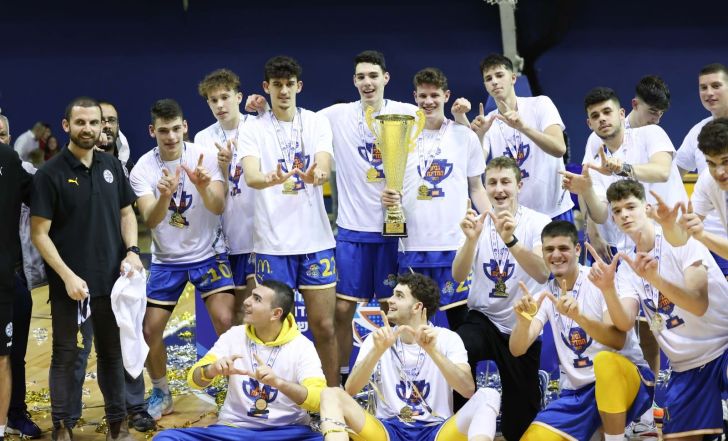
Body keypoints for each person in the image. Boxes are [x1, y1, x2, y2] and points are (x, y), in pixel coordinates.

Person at [30, 96, 142, 441]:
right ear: (67, 126)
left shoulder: (112, 166)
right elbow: (39, 233)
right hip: (70, 286)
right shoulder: (50, 174)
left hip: (111, 282)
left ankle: (117, 424)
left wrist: (133, 251)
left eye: (95, 122)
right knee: (65, 355)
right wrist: (67, 276)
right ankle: (62, 426)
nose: (89, 129)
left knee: (111, 354)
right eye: (81, 122)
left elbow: (127, 213)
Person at [317, 50, 418, 385]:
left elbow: (440, 133)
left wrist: (462, 119)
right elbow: (298, 121)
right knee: (342, 310)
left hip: (393, 230)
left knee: (395, 309)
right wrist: (261, 112)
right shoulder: (338, 115)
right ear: (354, 81)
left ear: (385, 78)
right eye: (361, 77)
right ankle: (342, 381)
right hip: (352, 231)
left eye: (373, 75)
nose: (367, 82)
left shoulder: (406, 113)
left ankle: (400, 377)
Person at [129, 99, 235, 420]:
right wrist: (164, 195)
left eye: (176, 129)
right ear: (152, 131)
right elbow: (149, 219)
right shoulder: (143, 169)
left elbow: (218, 206)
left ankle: (235, 393)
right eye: (164, 131)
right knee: (149, 330)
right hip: (167, 260)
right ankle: (162, 392)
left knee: (227, 322)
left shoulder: (204, 156)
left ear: (185, 126)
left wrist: (202, 186)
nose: (171, 136)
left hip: (208, 254)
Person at [598, 179, 728, 440]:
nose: (624, 215)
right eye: (617, 211)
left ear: (647, 208)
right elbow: (624, 323)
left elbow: (698, 304)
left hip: (723, 348)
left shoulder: (681, 240)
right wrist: (608, 289)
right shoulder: (627, 268)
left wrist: (656, 279)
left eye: (630, 207)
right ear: (613, 219)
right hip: (686, 369)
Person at [240, 55, 338, 385]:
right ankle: (277, 397)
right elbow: (251, 176)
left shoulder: (315, 122)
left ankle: (332, 395)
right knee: (273, 328)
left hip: (315, 242)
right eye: (277, 85)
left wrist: (318, 174)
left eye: (289, 84)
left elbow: (323, 163)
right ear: (266, 87)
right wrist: (269, 178)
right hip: (272, 245)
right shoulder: (252, 127)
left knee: (324, 326)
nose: (283, 91)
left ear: (299, 86)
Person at [512, 221, 653, 440]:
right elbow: (517, 349)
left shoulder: (599, 280)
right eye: (549, 249)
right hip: (579, 394)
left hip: (627, 382)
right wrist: (522, 322)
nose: (555, 255)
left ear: (577, 249)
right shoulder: (545, 295)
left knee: (605, 362)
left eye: (563, 248)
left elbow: (617, 340)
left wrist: (579, 317)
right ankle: (597, 429)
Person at [319, 272, 501, 441]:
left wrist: (432, 351)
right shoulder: (378, 338)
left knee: (489, 394)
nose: (390, 300)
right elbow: (350, 389)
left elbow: (467, 389)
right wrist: (377, 351)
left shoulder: (447, 338)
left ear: (417, 306)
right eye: (393, 294)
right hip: (388, 430)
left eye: (399, 296)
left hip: (437, 431)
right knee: (330, 394)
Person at [380, 67, 488, 331]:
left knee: (460, 324)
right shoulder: (400, 137)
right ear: (414, 97)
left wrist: (493, 222)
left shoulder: (464, 136)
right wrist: (388, 198)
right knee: (410, 325)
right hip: (412, 246)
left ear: (446, 96)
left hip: (454, 246)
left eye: (434, 95)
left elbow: (477, 188)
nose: (428, 101)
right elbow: (392, 186)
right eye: (423, 96)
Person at [451, 155, 551, 440]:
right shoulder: (475, 223)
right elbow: (458, 275)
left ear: (519, 185)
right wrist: (471, 240)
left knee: (519, 427)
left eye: (505, 181)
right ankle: (461, 425)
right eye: (492, 182)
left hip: (521, 323)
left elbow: (542, 273)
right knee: (459, 348)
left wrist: (511, 240)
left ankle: (531, 389)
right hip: (483, 318)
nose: (499, 189)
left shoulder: (538, 222)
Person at [153, 280, 325, 441]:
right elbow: (194, 379)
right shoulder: (234, 335)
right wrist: (211, 370)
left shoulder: (302, 346)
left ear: (276, 313)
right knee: (166, 438)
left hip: (287, 432)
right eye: (251, 296)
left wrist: (279, 383)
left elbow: (318, 400)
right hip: (234, 430)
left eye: (257, 299)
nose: (246, 301)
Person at [561, 86, 686, 260]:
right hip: (631, 249)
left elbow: (662, 171)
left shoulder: (651, 133)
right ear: (589, 124)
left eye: (607, 112)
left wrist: (623, 169)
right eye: (595, 116)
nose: (602, 119)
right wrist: (586, 190)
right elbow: (601, 215)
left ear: (621, 114)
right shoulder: (596, 162)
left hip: (674, 238)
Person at [469, 53, 573, 222]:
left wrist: (523, 127)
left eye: (499, 75)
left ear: (513, 78)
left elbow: (559, 148)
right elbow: (476, 168)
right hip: (517, 218)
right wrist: (479, 136)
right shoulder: (487, 122)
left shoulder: (541, 104)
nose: (494, 81)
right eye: (488, 78)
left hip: (555, 211)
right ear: (485, 85)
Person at [194, 68, 256, 324]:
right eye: (213, 100)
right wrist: (223, 168)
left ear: (238, 97)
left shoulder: (258, 127)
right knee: (237, 315)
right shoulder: (203, 138)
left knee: (258, 308)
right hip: (226, 238)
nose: (220, 105)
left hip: (259, 237)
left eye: (225, 97)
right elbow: (210, 188)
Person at [0, 113, 43, 439]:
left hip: (11, 277)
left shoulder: (16, 168)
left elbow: (49, 196)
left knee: (14, 354)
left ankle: (15, 413)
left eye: (2, 135)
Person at [673, 63, 728, 275]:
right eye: (703, 87)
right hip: (709, 240)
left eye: (716, 85)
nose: (709, 92)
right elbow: (671, 174)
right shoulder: (698, 132)